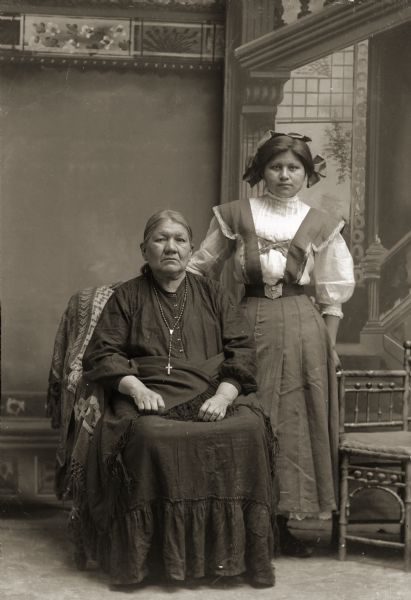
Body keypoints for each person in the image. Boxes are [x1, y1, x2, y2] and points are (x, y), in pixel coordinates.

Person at [77, 209, 275, 589]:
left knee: (249, 428)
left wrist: (223, 395)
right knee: (151, 436)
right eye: (161, 239)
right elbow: (102, 354)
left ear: (192, 249)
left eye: (180, 239)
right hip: (148, 393)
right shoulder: (127, 297)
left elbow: (243, 351)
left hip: (210, 391)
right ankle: (144, 564)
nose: (171, 247)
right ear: (144, 249)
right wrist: (135, 388)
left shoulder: (214, 293)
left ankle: (232, 560)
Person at [188, 131, 355, 557]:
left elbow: (332, 291)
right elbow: (200, 267)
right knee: (252, 412)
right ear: (261, 171)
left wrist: (329, 346)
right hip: (248, 322)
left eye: (293, 168)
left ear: (307, 173)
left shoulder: (321, 223)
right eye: (276, 167)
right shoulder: (236, 214)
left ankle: (282, 522)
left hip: (304, 327)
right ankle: (245, 522)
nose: (284, 175)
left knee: (296, 420)